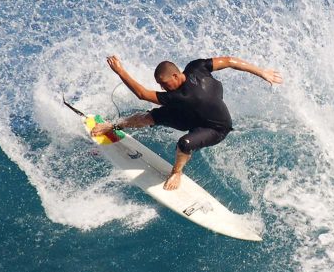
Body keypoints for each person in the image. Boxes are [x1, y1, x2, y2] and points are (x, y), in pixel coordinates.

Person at [90, 55, 283, 190]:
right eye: (160, 85)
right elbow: (229, 61)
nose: (162, 87)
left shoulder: (179, 97)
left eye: (164, 84)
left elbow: (141, 94)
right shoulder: (196, 67)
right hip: (191, 113)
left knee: (184, 143)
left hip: (215, 127)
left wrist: (120, 71)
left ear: (175, 76)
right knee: (150, 117)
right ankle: (112, 127)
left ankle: (177, 173)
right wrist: (261, 71)